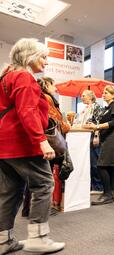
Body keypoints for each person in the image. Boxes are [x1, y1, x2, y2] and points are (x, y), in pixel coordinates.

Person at [0, 38, 65, 254]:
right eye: (43, 57)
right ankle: (38, 237)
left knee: (10, 191)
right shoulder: (24, 77)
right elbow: (27, 111)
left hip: (5, 145)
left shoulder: (6, 76)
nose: (46, 62)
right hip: (23, 143)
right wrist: (42, 141)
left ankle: (3, 240)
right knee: (45, 184)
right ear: (30, 57)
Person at [83, 85, 114, 205]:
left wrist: (96, 127)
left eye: (107, 92)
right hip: (107, 137)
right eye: (103, 92)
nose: (103, 93)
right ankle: (112, 194)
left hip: (112, 138)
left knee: (101, 165)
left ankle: (107, 194)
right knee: (109, 166)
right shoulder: (107, 108)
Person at [37, 77, 71, 214]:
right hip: (49, 141)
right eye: (53, 85)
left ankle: (42, 207)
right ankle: (47, 207)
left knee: (45, 174)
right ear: (46, 84)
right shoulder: (47, 98)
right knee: (47, 175)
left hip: (44, 140)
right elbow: (54, 118)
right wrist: (66, 125)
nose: (55, 88)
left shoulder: (42, 96)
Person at [77, 90, 104, 194]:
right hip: (85, 136)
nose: (82, 97)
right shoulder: (85, 109)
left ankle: (98, 187)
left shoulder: (96, 107)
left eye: (83, 96)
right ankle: (92, 185)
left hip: (93, 135)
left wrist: (96, 136)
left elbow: (99, 122)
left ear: (90, 96)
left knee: (94, 162)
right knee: (88, 162)